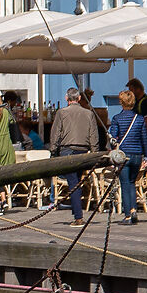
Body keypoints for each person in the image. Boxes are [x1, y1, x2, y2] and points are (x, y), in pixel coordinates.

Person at [46, 87, 109, 224]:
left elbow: (55, 133)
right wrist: (94, 152)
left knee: (73, 183)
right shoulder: (88, 113)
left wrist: (53, 150)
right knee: (77, 181)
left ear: (66, 98)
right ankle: (76, 211)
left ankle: (78, 216)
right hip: (83, 150)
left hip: (67, 150)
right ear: (79, 98)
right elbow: (94, 134)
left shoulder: (62, 113)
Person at [110, 91, 147, 224]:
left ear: (121, 102)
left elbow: (113, 139)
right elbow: (144, 138)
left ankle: (128, 215)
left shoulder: (116, 119)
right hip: (137, 155)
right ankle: (133, 210)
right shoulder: (139, 119)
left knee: (125, 184)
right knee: (132, 183)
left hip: (123, 155)